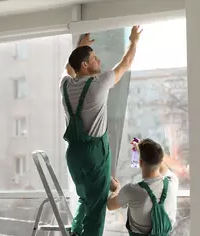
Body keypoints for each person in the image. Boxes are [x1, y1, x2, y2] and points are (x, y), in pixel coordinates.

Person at [60, 26, 143, 236]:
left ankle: (76, 232)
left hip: (73, 154)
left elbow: (68, 68)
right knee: (96, 207)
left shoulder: (65, 85)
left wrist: (82, 46)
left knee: (85, 198)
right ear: (85, 64)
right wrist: (133, 41)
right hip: (94, 153)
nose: (100, 61)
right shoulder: (99, 83)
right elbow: (126, 63)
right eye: (95, 58)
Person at [107, 138, 179, 236]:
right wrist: (147, 151)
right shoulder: (172, 182)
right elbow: (161, 165)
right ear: (161, 159)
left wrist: (116, 189)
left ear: (140, 162)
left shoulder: (132, 191)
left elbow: (110, 205)